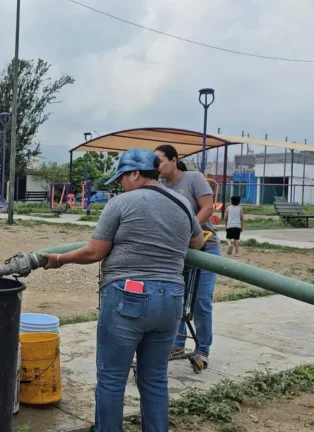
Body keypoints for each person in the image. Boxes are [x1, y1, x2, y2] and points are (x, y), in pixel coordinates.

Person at [40, 149, 205, 432]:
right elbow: (198, 244)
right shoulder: (182, 204)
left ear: (136, 174)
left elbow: (95, 251)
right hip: (172, 301)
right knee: (154, 379)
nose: (120, 185)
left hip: (128, 298)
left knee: (112, 379)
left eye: (122, 179)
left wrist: (59, 259)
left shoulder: (122, 204)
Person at [155, 144, 221, 373]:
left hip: (204, 249)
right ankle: (177, 343)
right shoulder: (160, 186)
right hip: (178, 251)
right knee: (176, 299)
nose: (157, 167)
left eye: (160, 161)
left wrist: (187, 231)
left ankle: (203, 349)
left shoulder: (194, 178)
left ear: (174, 160)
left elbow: (207, 208)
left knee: (200, 301)